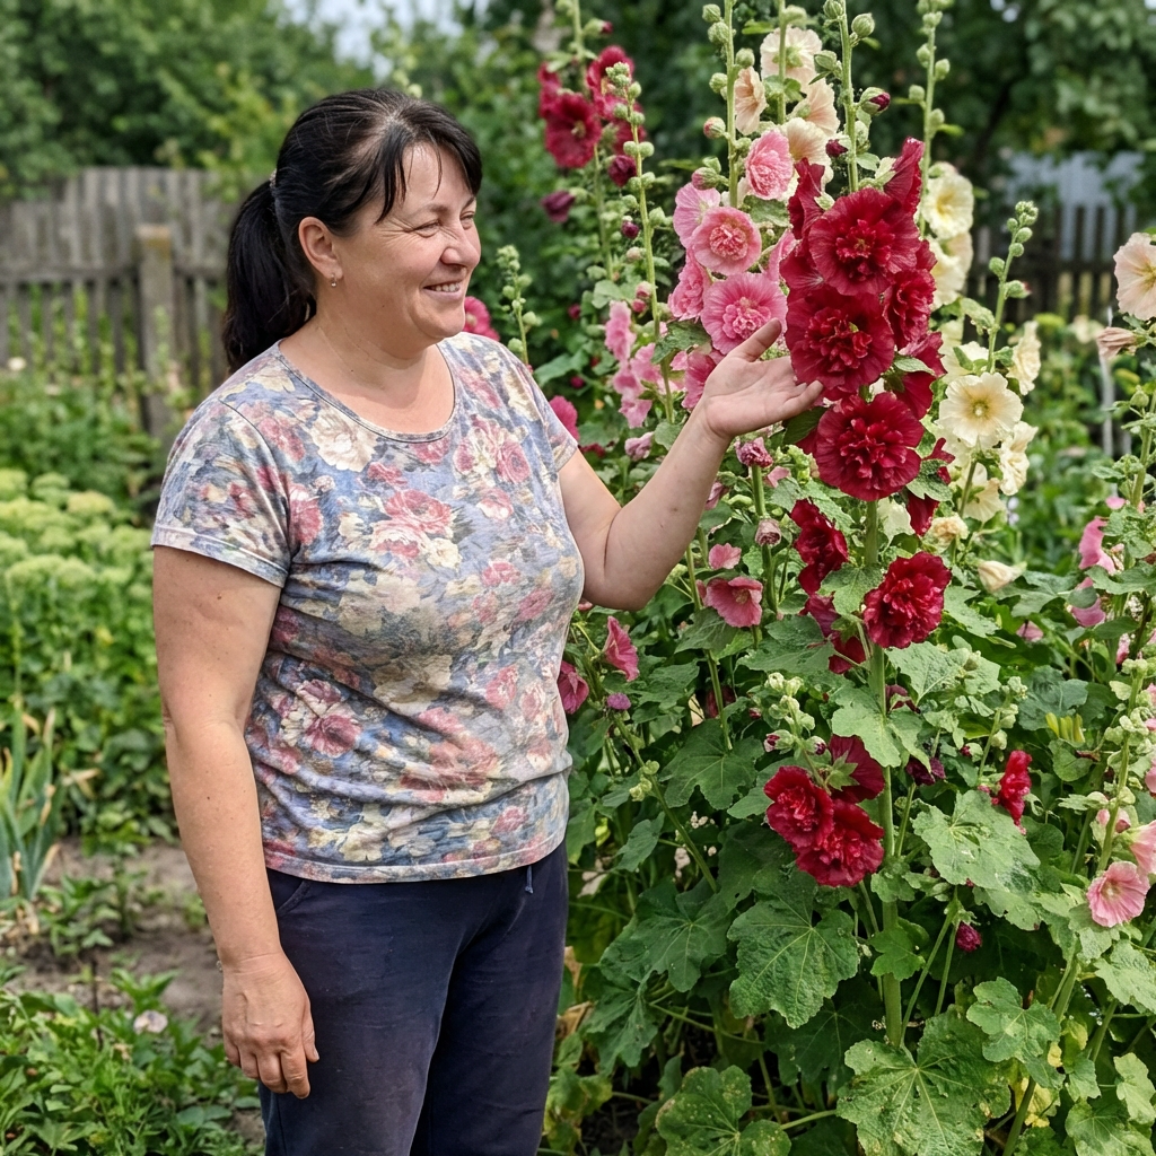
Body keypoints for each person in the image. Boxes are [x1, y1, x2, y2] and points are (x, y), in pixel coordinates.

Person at [150, 88, 820, 1156]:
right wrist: (251, 960)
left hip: (520, 876)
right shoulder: (249, 440)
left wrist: (707, 428)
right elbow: (202, 720)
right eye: (425, 225)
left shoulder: (494, 381)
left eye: (465, 217)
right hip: (353, 898)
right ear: (321, 246)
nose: (459, 248)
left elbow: (616, 565)